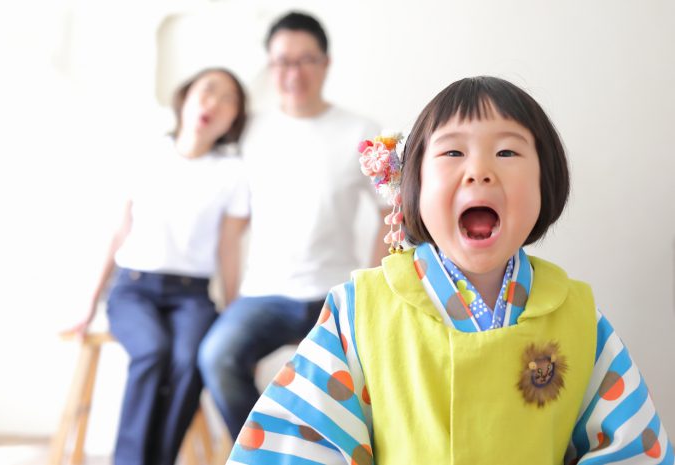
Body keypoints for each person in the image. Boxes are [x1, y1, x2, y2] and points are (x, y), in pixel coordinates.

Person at [224, 76, 674, 464]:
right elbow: (299, 442)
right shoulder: (359, 314)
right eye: (453, 153)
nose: (479, 171)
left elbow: (632, 447)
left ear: (546, 181)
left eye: (507, 153)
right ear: (414, 185)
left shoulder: (578, 319)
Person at [197, 11, 389, 440]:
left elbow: (390, 210)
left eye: (306, 60)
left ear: (326, 63)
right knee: (216, 357)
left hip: (335, 295)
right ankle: (265, 450)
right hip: (263, 293)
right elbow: (232, 226)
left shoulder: (361, 131)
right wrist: (230, 299)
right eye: (283, 61)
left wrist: (369, 286)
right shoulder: (251, 131)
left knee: (373, 378)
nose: (293, 72)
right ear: (270, 66)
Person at [65, 68, 250, 465]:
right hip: (133, 289)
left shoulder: (233, 172)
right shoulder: (145, 154)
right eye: (207, 90)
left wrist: (233, 306)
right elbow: (116, 234)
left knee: (191, 358)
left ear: (234, 119)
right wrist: (89, 303)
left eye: (228, 99)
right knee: (152, 350)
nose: (214, 103)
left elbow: (229, 247)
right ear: (185, 97)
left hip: (193, 295)